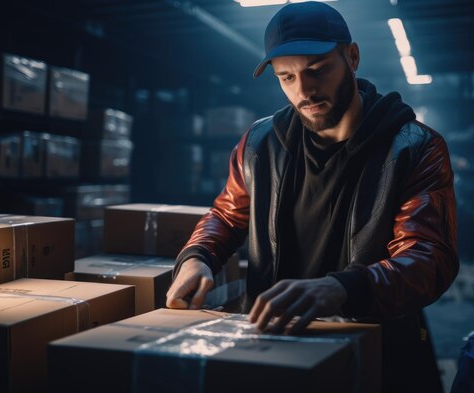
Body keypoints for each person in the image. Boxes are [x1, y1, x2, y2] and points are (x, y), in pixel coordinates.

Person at [166, 2, 458, 392]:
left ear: (351, 57)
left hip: (376, 352)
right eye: (286, 77)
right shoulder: (258, 144)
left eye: (317, 70)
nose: (303, 91)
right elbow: (228, 214)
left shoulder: (413, 148)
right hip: (275, 345)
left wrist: (344, 288)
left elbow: (428, 259)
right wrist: (198, 257)